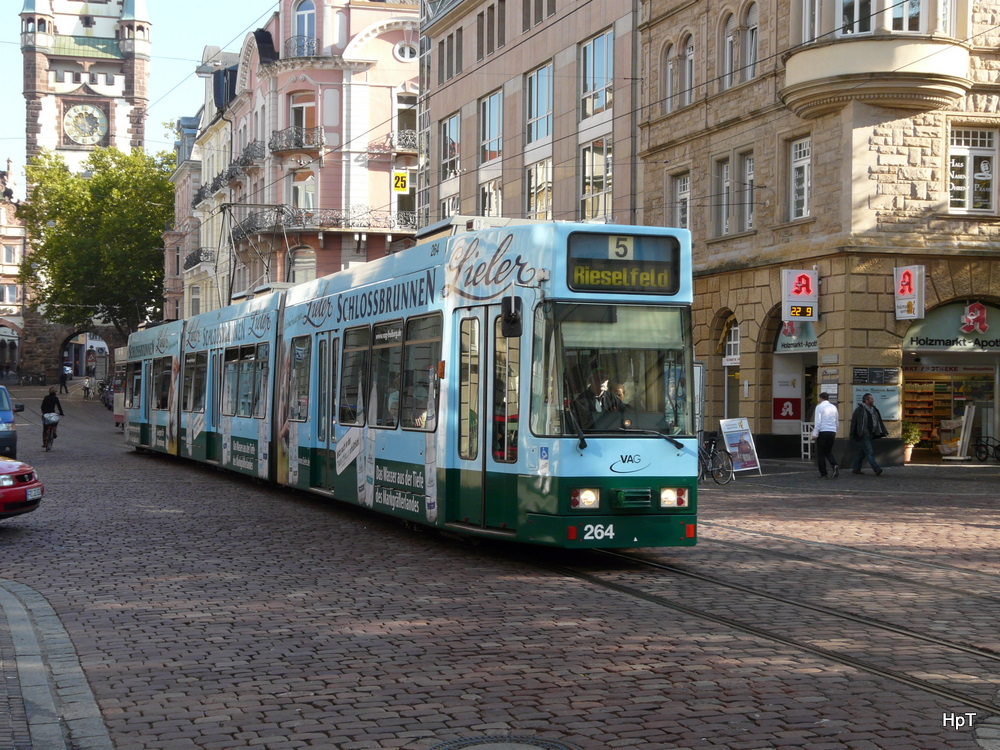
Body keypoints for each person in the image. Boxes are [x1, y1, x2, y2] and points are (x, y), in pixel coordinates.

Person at [849, 392, 887, 475]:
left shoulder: (874, 409)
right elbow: (854, 423)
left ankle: (856, 468)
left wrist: (881, 431)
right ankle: (876, 468)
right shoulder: (860, 410)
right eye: (871, 398)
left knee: (862, 452)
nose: (873, 400)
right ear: (866, 400)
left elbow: (878, 421)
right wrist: (852, 435)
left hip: (871, 434)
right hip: (863, 434)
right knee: (870, 452)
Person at [810, 392, 840, 479]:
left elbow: (818, 421)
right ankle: (834, 465)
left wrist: (815, 433)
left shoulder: (819, 407)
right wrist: (836, 432)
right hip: (832, 431)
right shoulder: (834, 407)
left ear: (820, 398)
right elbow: (837, 421)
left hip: (823, 431)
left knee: (821, 453)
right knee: (828, 451)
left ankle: (823, 473)